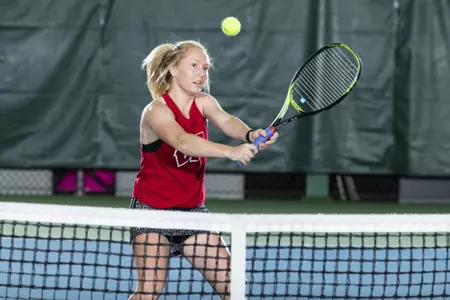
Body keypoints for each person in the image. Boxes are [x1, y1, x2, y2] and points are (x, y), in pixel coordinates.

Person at [128, 40, 278, 300]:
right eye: (194, 65)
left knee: (234, 288)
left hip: (192, 214)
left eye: (206, 68)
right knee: (148, 293)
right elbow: (182, 141)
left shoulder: (204, 102)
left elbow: (227, 120)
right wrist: (231, 152)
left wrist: (250, 133)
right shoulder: (156, 111)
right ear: (173, 69)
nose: (202, 73)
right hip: (151, 213)